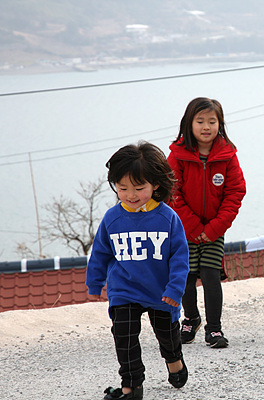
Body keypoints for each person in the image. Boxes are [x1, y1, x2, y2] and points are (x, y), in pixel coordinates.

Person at [86, 141, 190, 400]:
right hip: (124, 289)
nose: (131, 195)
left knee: (167, 334)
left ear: (155, 184)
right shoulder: (112, 218)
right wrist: (94, 282)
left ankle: (174, 360)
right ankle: (131, 386)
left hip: (161, 291)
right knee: (124, 337)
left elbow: (180, 257)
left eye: (139, 188)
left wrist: (175, 289)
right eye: (123, 188)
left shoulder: (167, 218)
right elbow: (100, 252)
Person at [167, 97, 246, 349]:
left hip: (214, 229)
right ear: (188, 124)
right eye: (200, 121)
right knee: (187, 276)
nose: (206, 126)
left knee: (211, 275)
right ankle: (190, 319)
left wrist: (212, 229)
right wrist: (193, 227)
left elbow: (235, 193)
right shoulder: (177, 155)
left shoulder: (227, 155)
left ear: (220, 124)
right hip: (184, 229)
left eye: (212, 121)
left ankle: (214, 329)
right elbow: (172, 193)